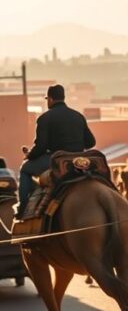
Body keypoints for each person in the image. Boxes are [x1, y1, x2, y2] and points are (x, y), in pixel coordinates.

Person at [17, 85, 96, 218]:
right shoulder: (78, 116)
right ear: (63, 98)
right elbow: (91, 143)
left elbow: (41, 147)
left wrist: (29, 156)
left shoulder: (44, 118)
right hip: (77, 162)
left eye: (47, 99)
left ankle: (22, 206)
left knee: (25, 169)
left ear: (51, 99)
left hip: (55, 161)